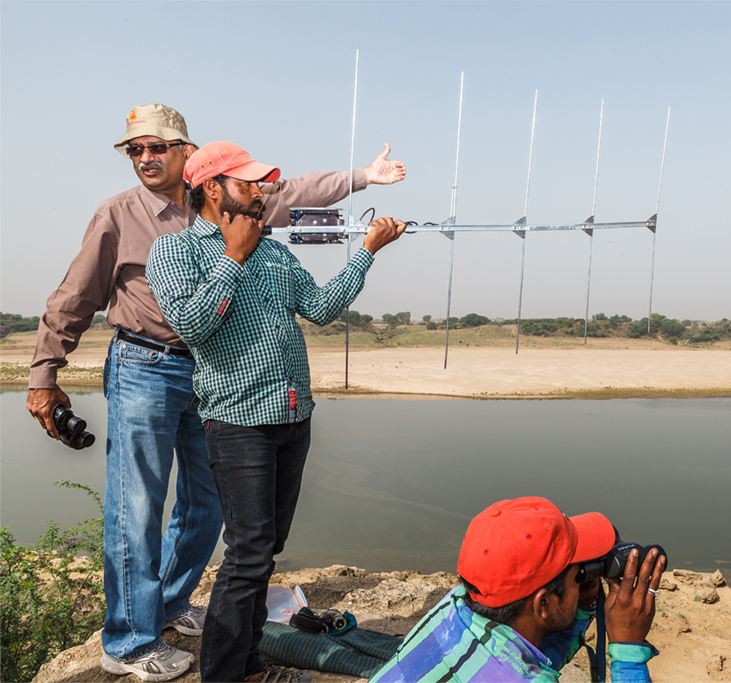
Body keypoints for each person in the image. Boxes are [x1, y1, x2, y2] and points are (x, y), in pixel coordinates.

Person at [25, 103, 406, 682]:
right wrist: (44, 374)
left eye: (158, 147)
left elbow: (302, 193)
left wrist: (363, 181)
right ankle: (128, 641)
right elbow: (75, 297)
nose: (146, 159)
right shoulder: (126, 217)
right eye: (135, 150)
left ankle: (174, 605)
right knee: (139, 506)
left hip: (214, 381)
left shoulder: (251, 214)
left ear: (187, 155)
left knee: (207, 507)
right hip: (147, 365)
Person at [146, 140, 406, 683]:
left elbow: (321, 308)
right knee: (246, 557)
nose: (262, 191)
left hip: (293, 419)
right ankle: (226, 673)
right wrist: (233, 256)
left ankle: (247, 662)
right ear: (212, 188)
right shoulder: (175, 253)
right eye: (248, 183)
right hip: (239, 424)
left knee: (265, 551)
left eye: (262, 183)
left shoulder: (274, 251)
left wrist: (367, 252)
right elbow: (193, 327)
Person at [370, 496, 666, 683]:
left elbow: (529, 645)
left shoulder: (455, 604)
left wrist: (583, 600)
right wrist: (627, 649)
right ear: (543, 604)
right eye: (577, 575)